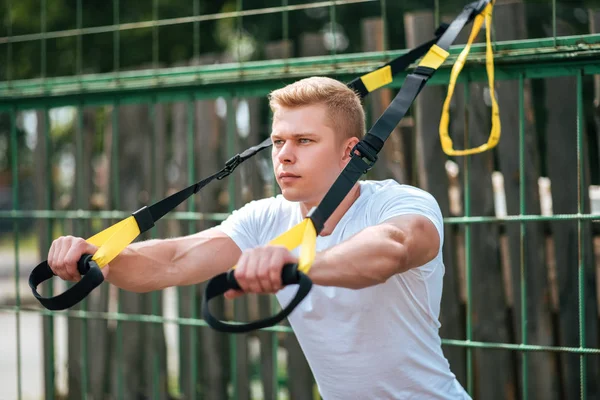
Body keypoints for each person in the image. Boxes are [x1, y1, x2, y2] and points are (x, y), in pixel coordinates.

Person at [47, 76, 470, 399]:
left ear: (350, 151)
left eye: (305, 141)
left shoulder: (401, 204)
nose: (284, 154)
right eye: (278, 141)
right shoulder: (267, 217)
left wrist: (297, 263)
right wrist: (97, 257)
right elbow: (173, 260)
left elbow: (391, 249)